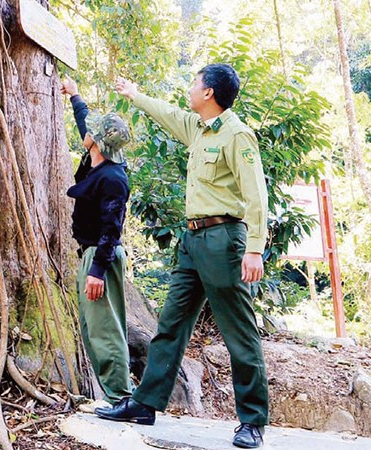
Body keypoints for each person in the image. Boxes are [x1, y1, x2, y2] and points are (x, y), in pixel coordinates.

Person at [95, 64, 269, 449]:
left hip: (225, 239)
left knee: (238, 331)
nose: (190, 89)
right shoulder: (199, 129)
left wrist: (255, 248)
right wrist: (134, 95)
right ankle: (144, 403)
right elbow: (169, 114)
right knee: (171, 323)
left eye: (195, 83)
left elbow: (256, 194)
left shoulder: (237, 135)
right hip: (191, 241)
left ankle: (253, 420)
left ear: (209, 93)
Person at [60, 77, 135, 410]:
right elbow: (85, 123)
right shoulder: (98, 161)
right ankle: (114, 396)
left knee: (106, 330)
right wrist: (75, 94)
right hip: (90, 256)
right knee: (94, 328)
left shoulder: (113, 179)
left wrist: (97, 270)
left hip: (100, 258)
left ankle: (121, 398)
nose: (85, 132)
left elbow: (112, 228)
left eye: (91, 132)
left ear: (98, 142)